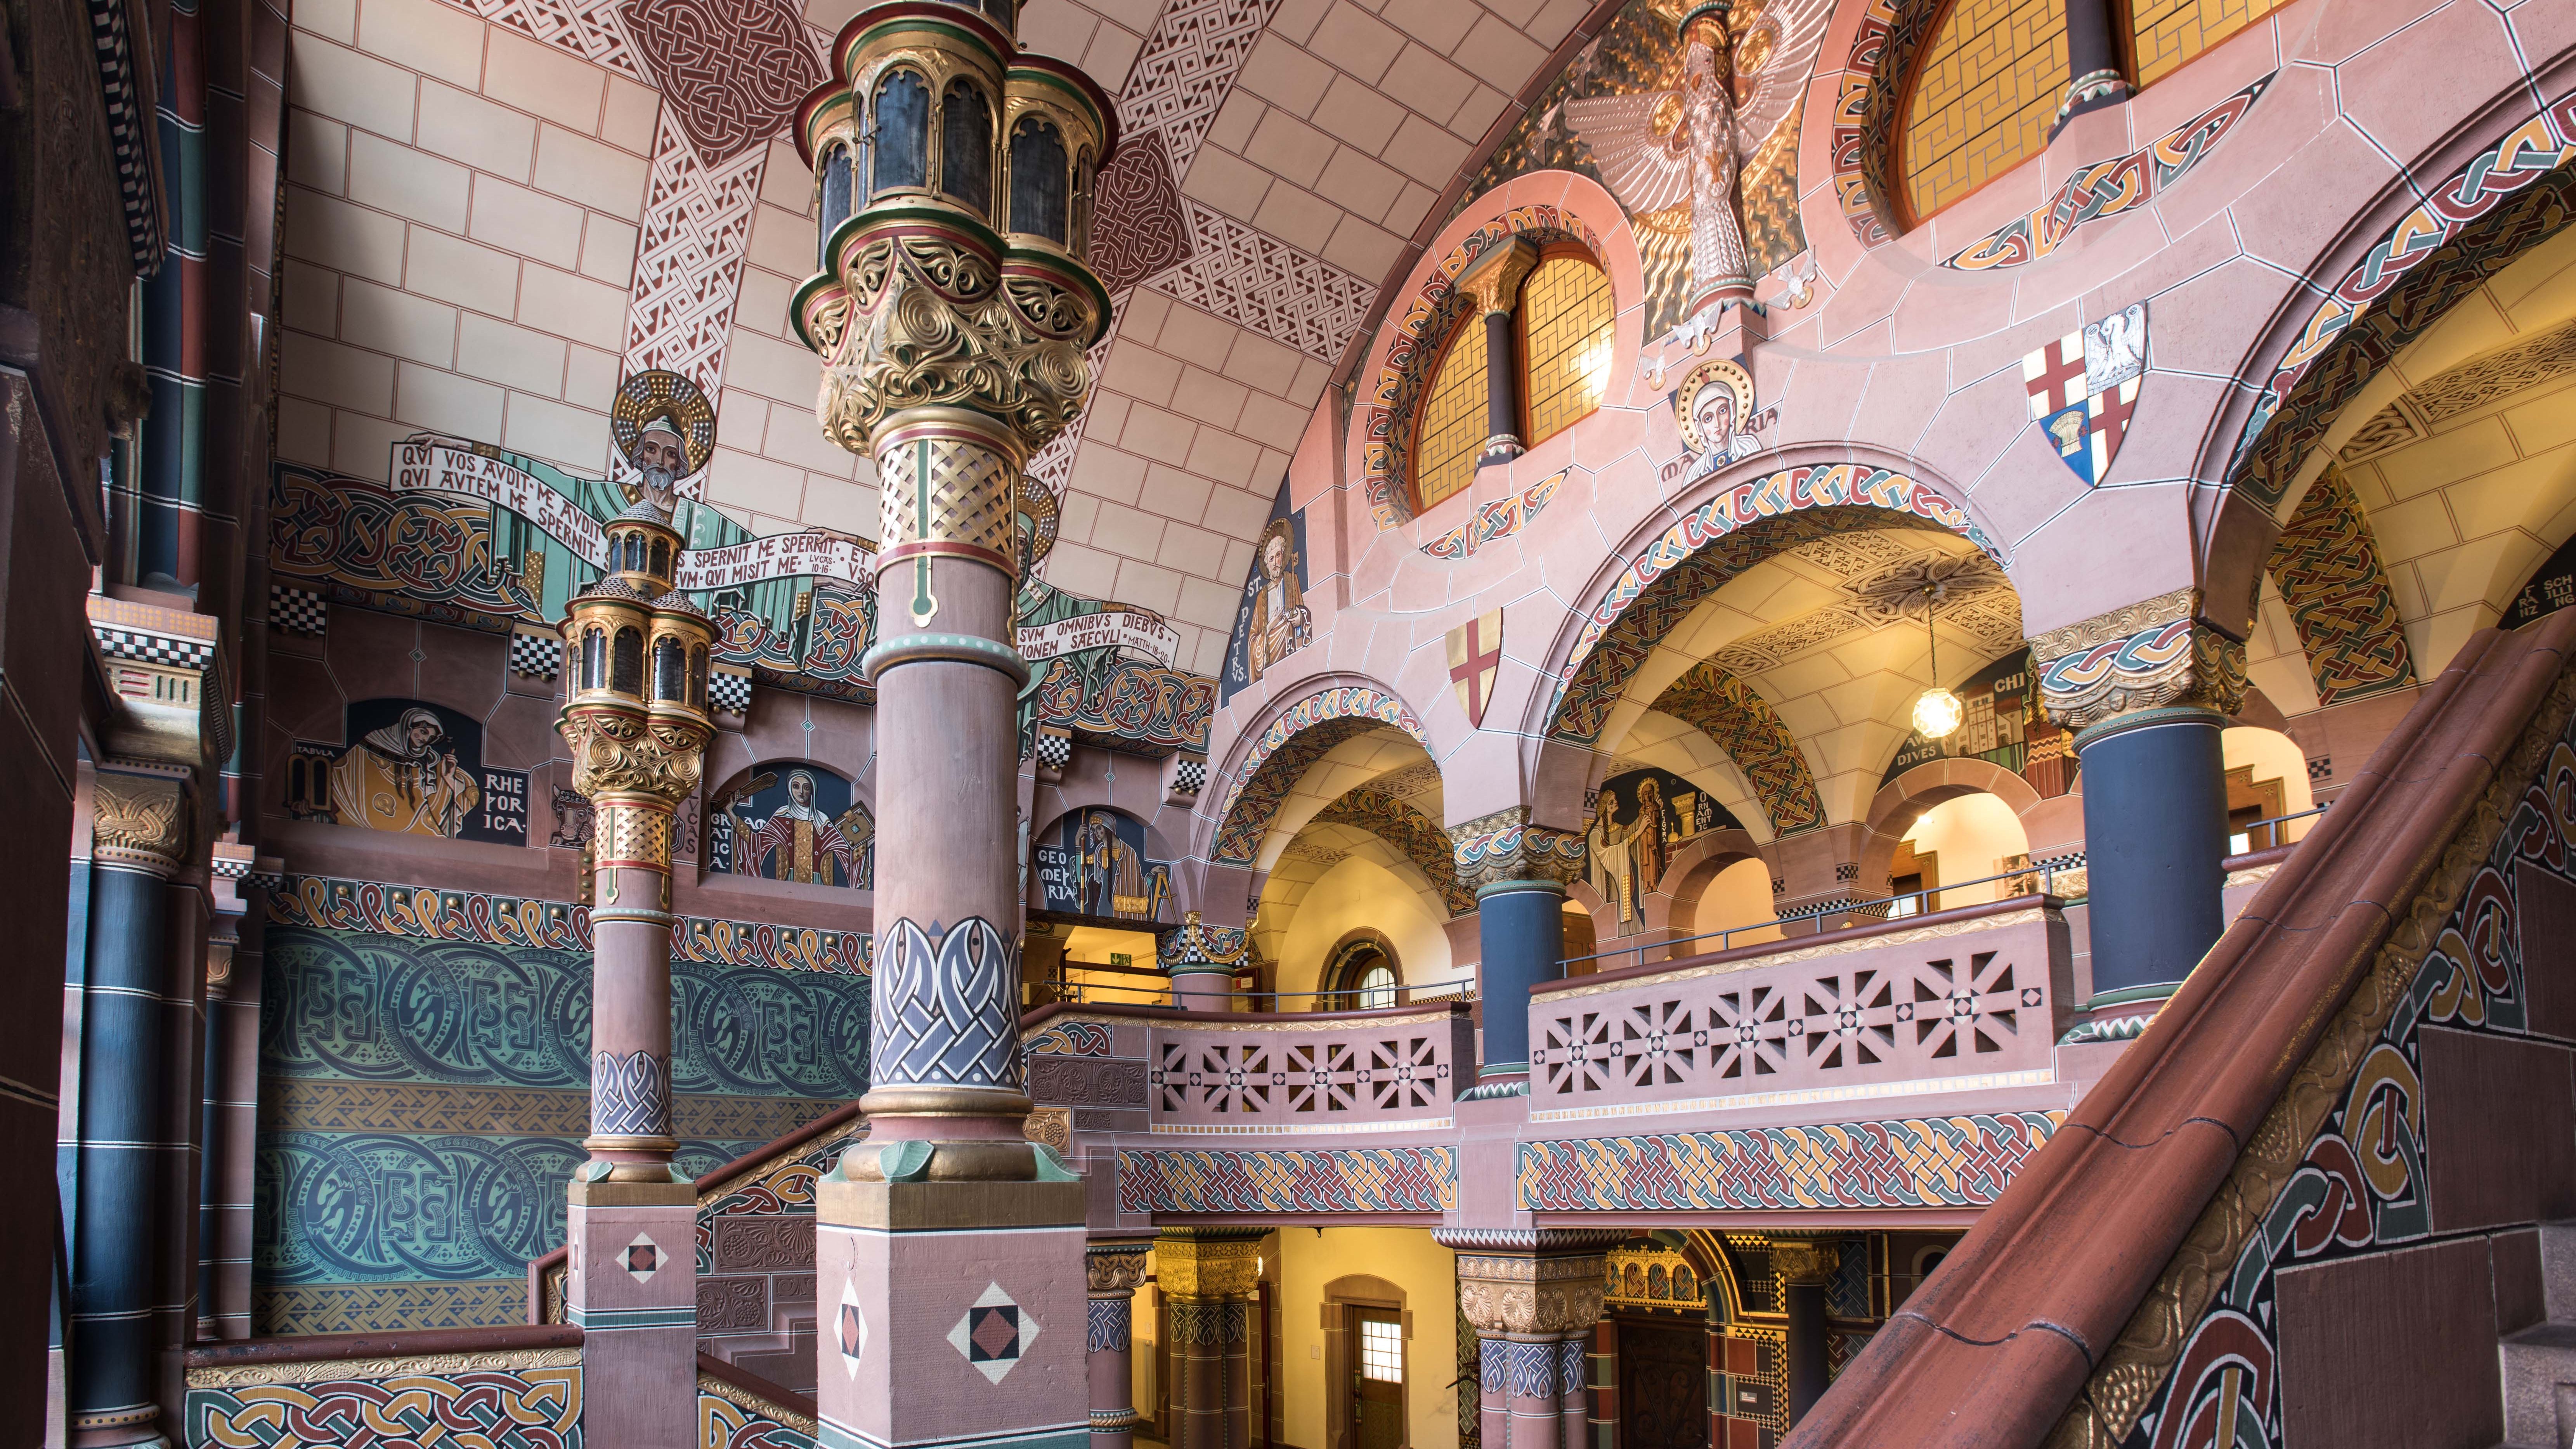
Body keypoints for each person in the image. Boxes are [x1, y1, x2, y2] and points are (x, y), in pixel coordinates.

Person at [328, 706, 482, 837]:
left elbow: (467, 792)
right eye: (423, 732)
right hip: (363, 827)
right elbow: (340, 775)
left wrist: (449, 779)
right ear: (408, 727)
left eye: (430, 738)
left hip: (418, 832)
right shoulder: (372, 745)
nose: (425, 739)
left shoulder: (429, 761)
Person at [740, 770, 860, 887]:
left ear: (812, 791)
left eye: (806, 788)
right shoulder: (782, 815)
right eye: (796, 787)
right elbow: (756, 843)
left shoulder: (822, 820)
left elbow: (845, 849)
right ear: (790, 789)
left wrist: (863, 843)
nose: (801, 792)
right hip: (787, 880)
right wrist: (732, 815)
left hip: (818, 883)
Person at [1244, 519, 1311, 686]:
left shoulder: (1291, 580)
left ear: (1284, 556)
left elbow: (1302, 611)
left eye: (1278, 556)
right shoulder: (1261, 597)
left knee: (1288, 626)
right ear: (1267, 565)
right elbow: (1253, 641)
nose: (1275, 563)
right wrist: (1269, 627)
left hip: (1289, 639)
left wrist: (1300, 618)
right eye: (1271, 559)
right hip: (1269, 645)